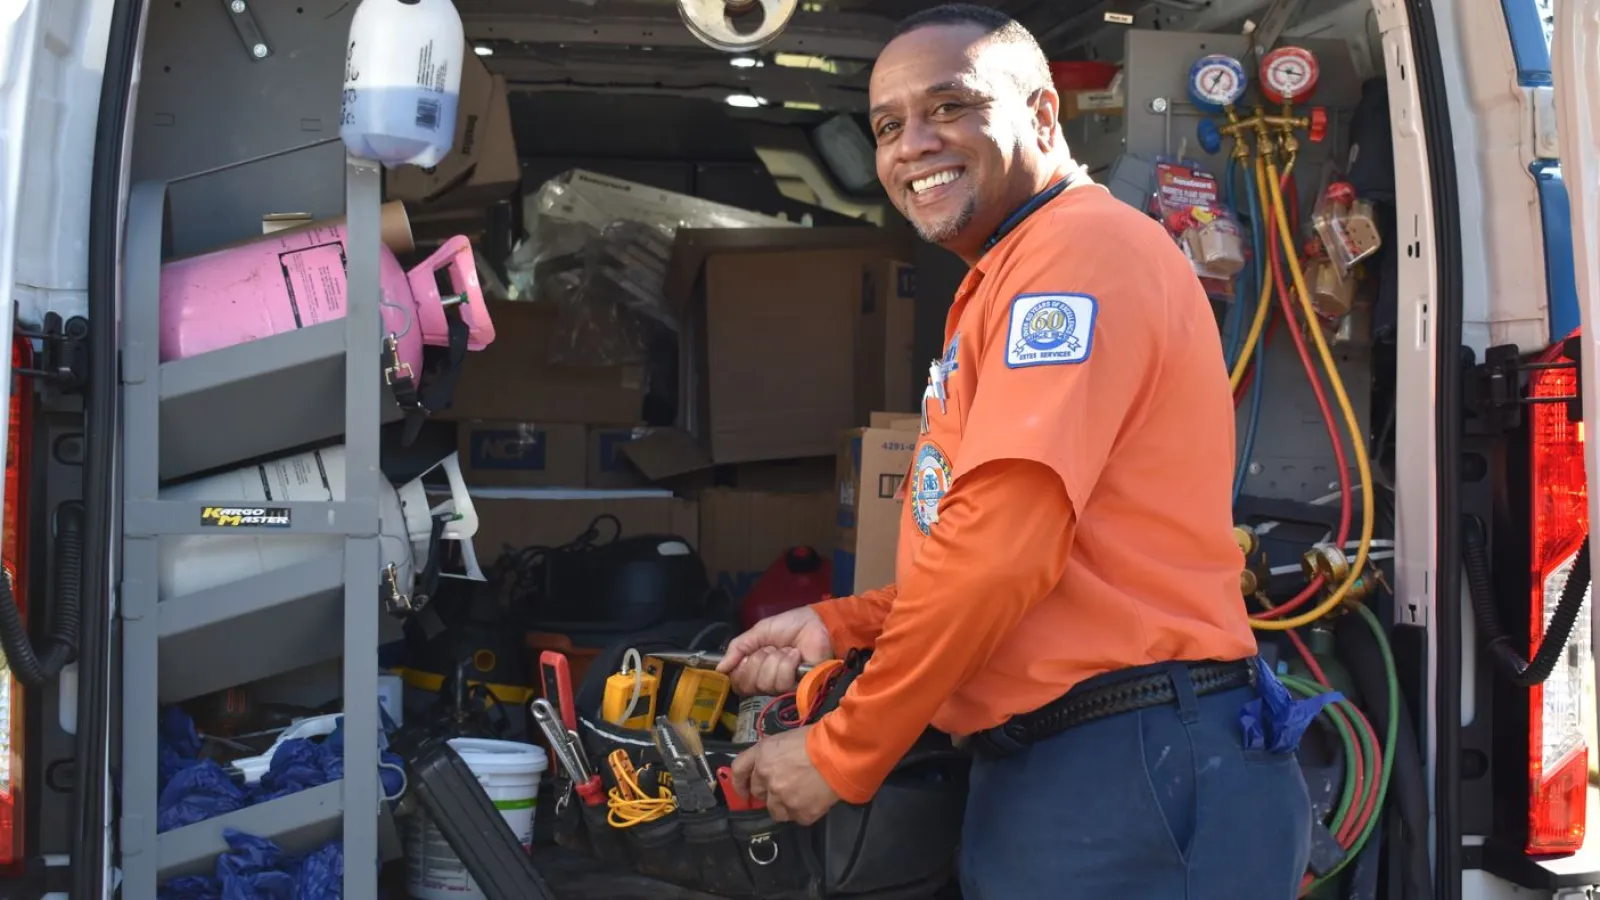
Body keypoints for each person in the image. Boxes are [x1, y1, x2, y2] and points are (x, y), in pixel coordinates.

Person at [717, 4, 1315, 897]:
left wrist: (843, 751)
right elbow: (1018, 558)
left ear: (1042, 115)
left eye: (949, 107)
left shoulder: (1076, 256)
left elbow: (1003, 553)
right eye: (887, 125)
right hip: (1077, 768)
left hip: (1126, 769)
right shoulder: (1011, 272)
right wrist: (839, 626)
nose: (912, 144)